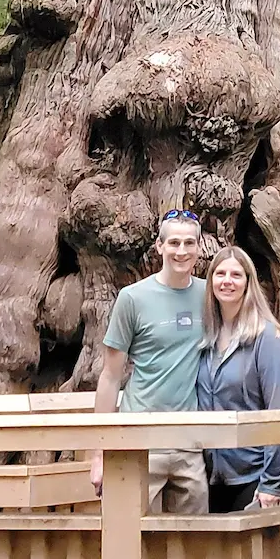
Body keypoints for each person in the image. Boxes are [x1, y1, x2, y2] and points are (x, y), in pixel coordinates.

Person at [197, 246, 280, 559]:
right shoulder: (205, 340)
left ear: (249, 282)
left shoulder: (267, 339)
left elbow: (277, 411)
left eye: (236, 274)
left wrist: (272, 484)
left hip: (257, 474)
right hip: (217, 474)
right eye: (220, 274)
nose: (227, 281)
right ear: (212, 283)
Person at [90, 208, 208, 512]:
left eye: (189, 243)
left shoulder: (209, 296)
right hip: (140, 441)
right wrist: (100, 454)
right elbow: (110, 376)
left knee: (194, 545)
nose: (181, 251)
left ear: (199, 246)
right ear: (160, 246)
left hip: (189, 444)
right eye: (174, 243)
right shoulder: (133, 298)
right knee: (131, 541)